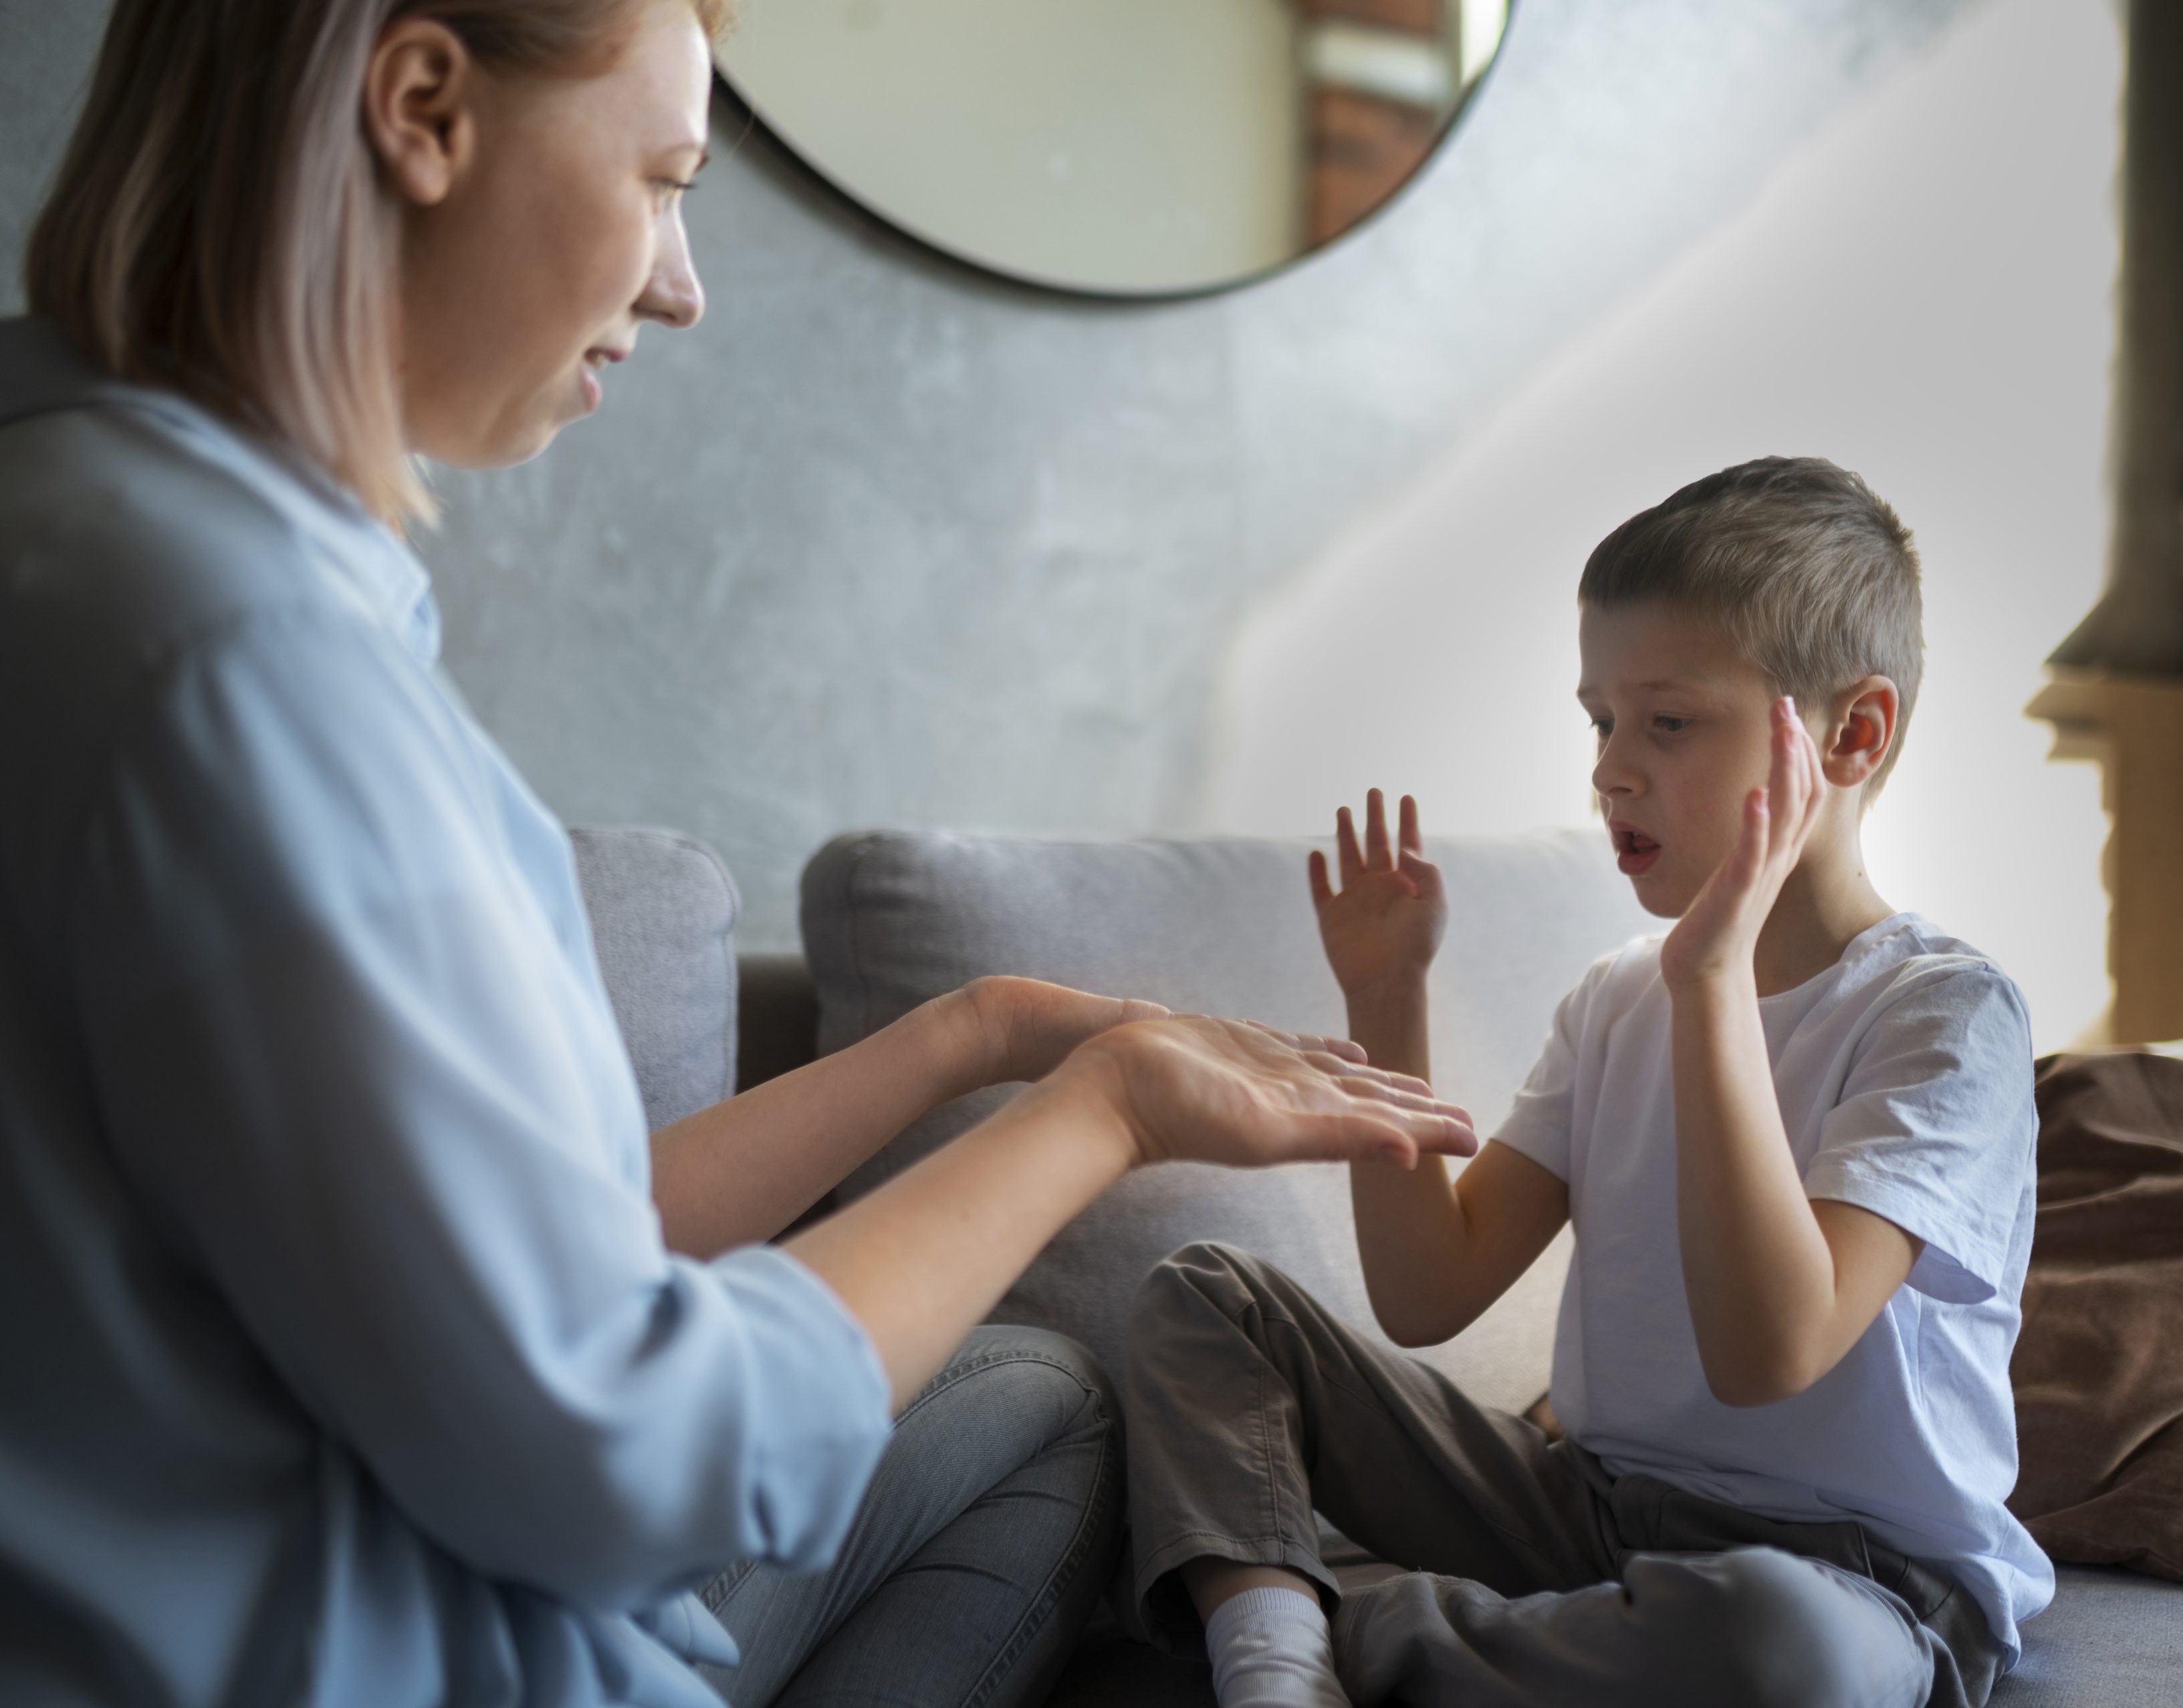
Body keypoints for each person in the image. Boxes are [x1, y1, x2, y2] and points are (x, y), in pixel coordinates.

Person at [0, 4, 1480, 1707]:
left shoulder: (92, 537)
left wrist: (978, 1034)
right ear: (422, 106)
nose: (682, 283)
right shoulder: (232, 659)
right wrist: (1110, 1110)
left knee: (1036, 1393)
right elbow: (615, 1447)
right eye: (660, 178)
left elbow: (510, 1252)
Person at [1120, 457, 2056, 1707]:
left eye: (1668, 721)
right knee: (1206, 1299)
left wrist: (1713, 983)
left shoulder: (1943, 1014)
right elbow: (1426, 1293)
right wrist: (1387, 1003)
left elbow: (1769, 1348)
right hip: (1594, 1510)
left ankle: (1355, 1634)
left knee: (1784, 1650)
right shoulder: (1618, 995)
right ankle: (1276, 1662)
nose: (1613, 768)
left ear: (1854, 732)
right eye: (1600, 720)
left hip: (1860, 1578)